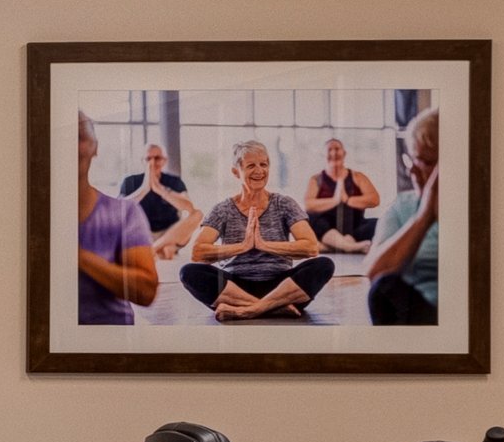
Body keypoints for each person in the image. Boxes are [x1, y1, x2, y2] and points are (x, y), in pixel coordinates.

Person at [179, 139, 334, 322]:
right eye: (251, 165)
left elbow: (311, 247)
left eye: (264, 164)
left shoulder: (284, 204)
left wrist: (264, 245)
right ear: (236, 172)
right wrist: (243, 246)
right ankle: (274, 308)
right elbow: (198, 252)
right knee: (189, 272)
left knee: (324, 265)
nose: (259, 171)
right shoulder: (223, 209)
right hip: (235, 288)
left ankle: (250, 310)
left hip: (282, 286)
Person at [69, 116, 161, 323]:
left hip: (109, 332)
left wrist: (78, 256)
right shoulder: (130, 182)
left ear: (95, 147)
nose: (69, 147)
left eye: (78, 137)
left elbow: (146, 292)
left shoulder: (125, 212)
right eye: (149, 158)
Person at [360, 107, 443, 327]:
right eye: (412, 160)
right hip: (422, 312)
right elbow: (375, 273)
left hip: (473, 315)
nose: (411, 171)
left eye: (425, 162)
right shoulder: (402, 206)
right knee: (384, 288)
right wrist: (424, 216)